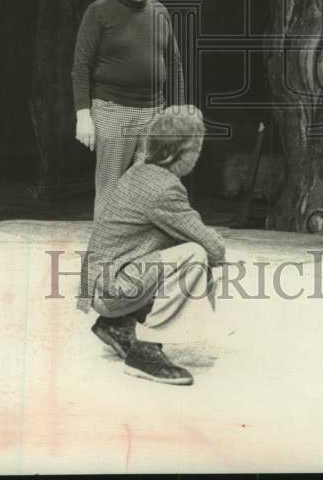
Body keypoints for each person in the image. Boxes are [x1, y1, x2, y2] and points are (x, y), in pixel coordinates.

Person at [77, 107, 226, 386]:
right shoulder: (165, 189)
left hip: (102, 285)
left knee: (177, 249)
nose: (199, 156)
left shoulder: (140, 171)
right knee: (195, 255)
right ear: (175, 153)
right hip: (111, 291)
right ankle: (147, 352)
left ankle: (118, 326)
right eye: (196, 149)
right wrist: (209, 240)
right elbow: (214, 249)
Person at [72, 0, 185, 219]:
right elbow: (81, 66)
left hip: (154, 113)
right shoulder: (99, 11)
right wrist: (83, 116)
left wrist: (177, 114)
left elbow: (174, 65)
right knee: (110, 188)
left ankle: (137, 253)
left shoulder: (160, 13)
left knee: (150, 189)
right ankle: (105, 255)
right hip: (112, 111)